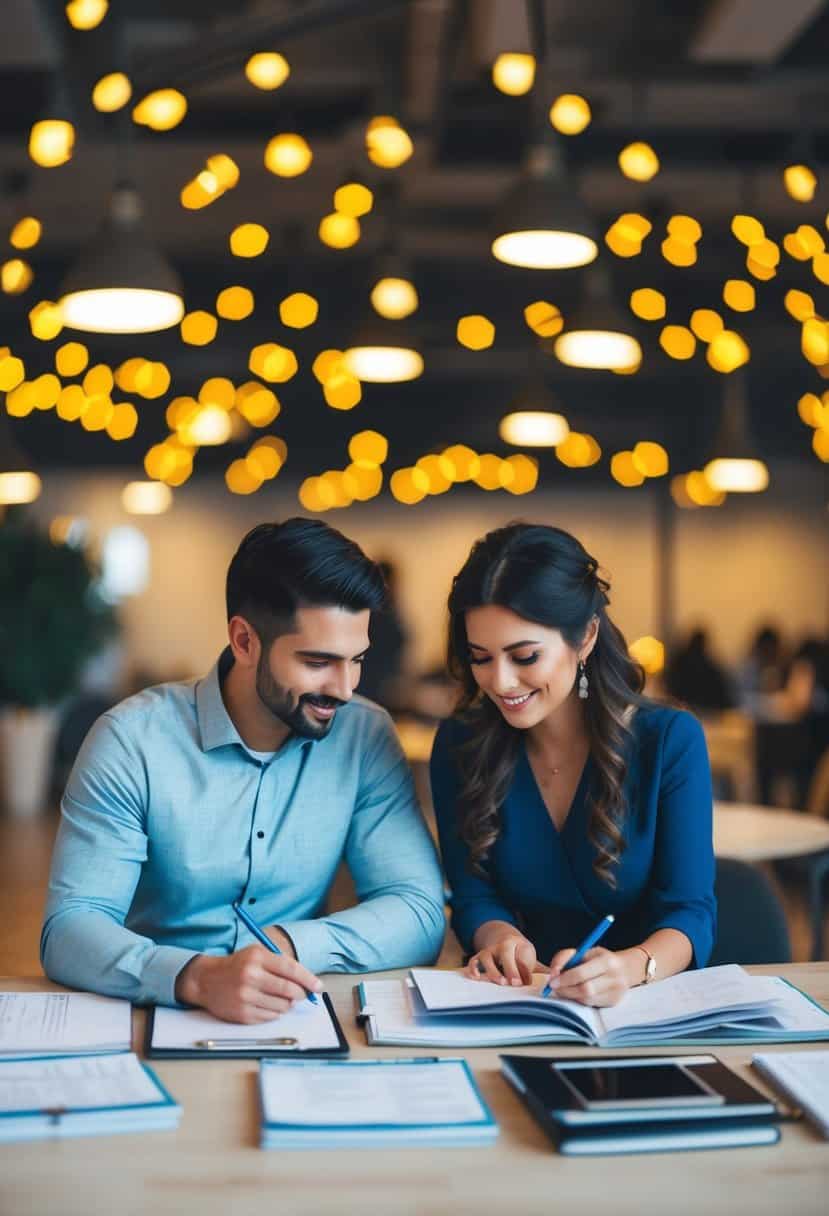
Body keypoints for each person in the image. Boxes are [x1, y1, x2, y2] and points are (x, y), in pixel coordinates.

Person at [42, 519, 445, 1022]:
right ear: (244, 641)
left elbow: (419, 912)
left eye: (356, 660)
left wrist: (285, 946)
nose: (344, 688)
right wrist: (197, 976)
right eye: (318, 662)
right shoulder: (131, 741)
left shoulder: (364, 736)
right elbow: (70, 929)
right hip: (155, 1011)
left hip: (293, 1010)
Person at [430, 523, 716, 1009]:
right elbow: (472, 894)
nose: (499, 682)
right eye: (481, 658)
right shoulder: (461, 743)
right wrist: (498, 938)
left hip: (647, 1008)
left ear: (585, 637)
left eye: (524, 656)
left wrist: (630, 967)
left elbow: (689, 912)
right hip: (517, 1004)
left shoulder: (667, 741)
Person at [663, 627, 737, 714]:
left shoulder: (679, 661)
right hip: (704, 710)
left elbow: (670, 684)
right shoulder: (708, 665)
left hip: (683, 708)